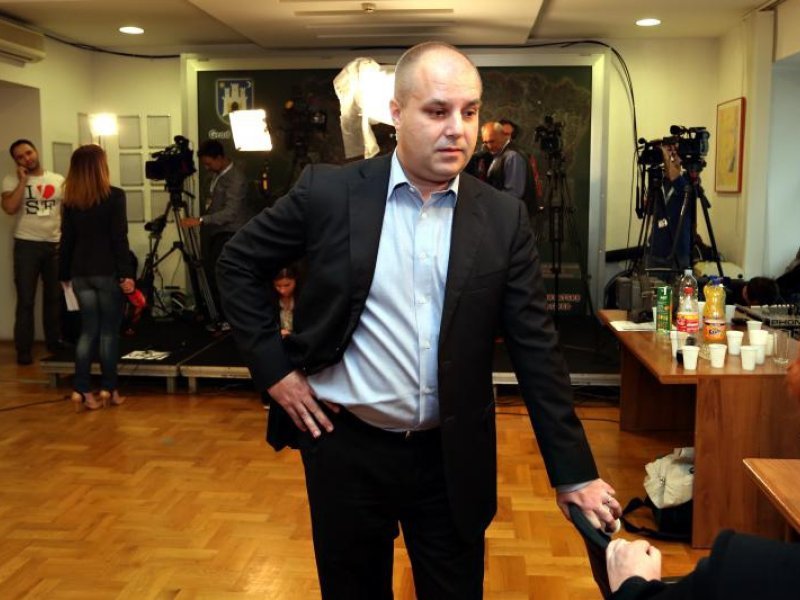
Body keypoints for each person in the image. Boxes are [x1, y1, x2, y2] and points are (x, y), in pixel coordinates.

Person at [217, 41, 619, 600]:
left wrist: (573, 471)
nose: (458, 129)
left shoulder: (502, 217)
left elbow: (537, 350)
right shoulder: (329, 191)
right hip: (346, 448)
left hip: (450, 457)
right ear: (397, 113)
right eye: (437, 111)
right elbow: (237, 262)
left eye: (470, 111)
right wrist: (276, 373)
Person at [59, 145, 135, 411]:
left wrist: (63, 273)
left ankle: (81, 390)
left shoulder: (71, 201)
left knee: (87, 331)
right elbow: (119, 238)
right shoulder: (114, 196)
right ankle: (108, 388)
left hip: (80, 272)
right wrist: (126, 273)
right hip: (106, 271)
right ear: (100, 167)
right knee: (108, 334)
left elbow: (67, 240)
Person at [1, 139, 64, 365]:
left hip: (54, 244)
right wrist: (23, 181)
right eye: (20, 157)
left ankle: (54, 344)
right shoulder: (10, 180)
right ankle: (24, 350)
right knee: (26, 299)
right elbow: (10, 208)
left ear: (35, 151)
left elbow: (66, 210)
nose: (27, 158)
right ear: (16, 161)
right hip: (26, 244)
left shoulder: (57, 180)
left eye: (28, 153)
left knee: (54, 298)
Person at [180, 139, 250, 331]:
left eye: (209, 163)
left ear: (220, 158)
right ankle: (219, 316)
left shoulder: (236, 179)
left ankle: (230, 320)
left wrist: (201, 220)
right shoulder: (215, 176)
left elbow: (231, 213)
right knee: (214, 275)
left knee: (226, 279)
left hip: (231, 233)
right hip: (216, 233)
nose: (207, 167)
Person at [647, 145, 692, 270]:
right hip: (656, 250)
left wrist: (666, 156)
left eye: (674, 154)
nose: (671, 157)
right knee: (653, 283)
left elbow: (674, 177)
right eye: (670, 154)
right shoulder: (660, 183)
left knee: (673, 284)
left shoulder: (686, 183)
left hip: (676, 255)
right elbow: (649, 211)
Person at [273, 266, 298, 337]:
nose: (282, 290)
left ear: (295, 281)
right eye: (278, 286)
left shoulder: (302, 297)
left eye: (287, 285)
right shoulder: (271, 299)